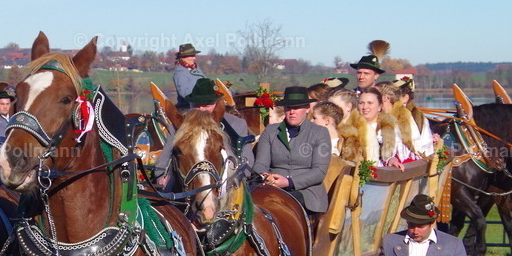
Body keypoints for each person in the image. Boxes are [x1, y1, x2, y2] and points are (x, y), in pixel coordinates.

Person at [154, 77, 255, 185]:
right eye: (196, 105)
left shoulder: (236, 124)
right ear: (190, 105)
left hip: (229, 183)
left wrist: (232, 179)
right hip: (187, 183)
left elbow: (247, 159)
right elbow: (163, 161)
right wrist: (162, 177)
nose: (201, 109)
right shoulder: (178, 126)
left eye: (207, 105)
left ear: (216, 104)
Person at [253, 85, 331, 217]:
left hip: (307, 192)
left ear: (307, 109)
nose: (292, 112)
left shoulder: (320, 133)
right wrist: (265, 176)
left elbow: (319, 172)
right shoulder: (271, 131)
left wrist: (289, 182)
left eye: (297, 108)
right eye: (289, 107)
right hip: (272, 188)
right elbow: (261, 163)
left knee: (282, 202)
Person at [338, 86, 404, 168]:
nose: (365, 107)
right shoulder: (350, 126)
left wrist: (391, 159)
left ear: (380, 106)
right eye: (361, 103)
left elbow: (397, 152)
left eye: (370, 103)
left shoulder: (388, 127)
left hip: (380, 172)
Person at [172, 43, 205, 110]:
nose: (194, 58)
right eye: (192, 56)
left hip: (203, 105)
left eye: (194, 56)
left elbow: (206, 82)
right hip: (188, 108)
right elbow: (185, 93)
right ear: (183, 58)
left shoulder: (196, 69)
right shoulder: (180, 73)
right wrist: (203, 95)